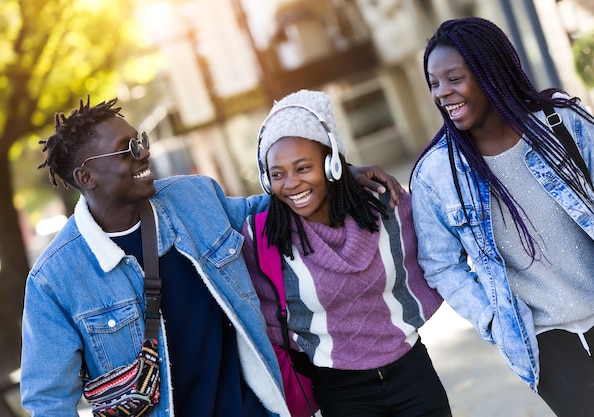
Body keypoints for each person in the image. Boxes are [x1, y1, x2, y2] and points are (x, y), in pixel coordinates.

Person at [20, 97, 403, 417]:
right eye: (129, 149)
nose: (144, 152)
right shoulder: (55, 279)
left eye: (141, 140)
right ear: (87, 177)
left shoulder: (195, 197)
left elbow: (272, 208)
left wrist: (340, 177)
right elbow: (48, 399)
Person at [410, 16, 594, 417]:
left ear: (491, 71)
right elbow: (440, 265)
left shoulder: (562, 123)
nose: (443, 93)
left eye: (454, 78)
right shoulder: (437, 174)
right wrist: (492, 319)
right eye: (434, 83)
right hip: (544, 338)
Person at [241, 89, 450, 417]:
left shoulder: (386, 207)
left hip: (412, 371)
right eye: (278, 174)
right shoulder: (261, 236)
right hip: (340, 391)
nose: (291, 183)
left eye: (303, 167)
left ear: (332, 163)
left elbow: (441, 254)